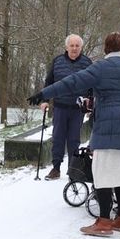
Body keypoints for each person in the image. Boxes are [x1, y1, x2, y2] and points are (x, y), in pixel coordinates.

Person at [31, 32, 120, 236]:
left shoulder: (101, 67)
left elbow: (72, 82)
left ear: (106, 49)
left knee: (102, 175)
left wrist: (44, 93)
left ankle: (103, 222)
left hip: (108, 129)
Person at [39, 34, 92, 180]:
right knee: (58, 138)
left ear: (81, 47)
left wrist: (90, 104)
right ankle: (56, 168)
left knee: (74, 139)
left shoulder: (87, 63)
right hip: (60, 107)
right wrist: (44, 100)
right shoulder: (57, 61)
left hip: (77, 108)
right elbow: (49, 82)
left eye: (77, 46)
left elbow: (92, 85)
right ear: (66, 47)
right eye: (72, 45)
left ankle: (72, 170)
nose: (74, 48)